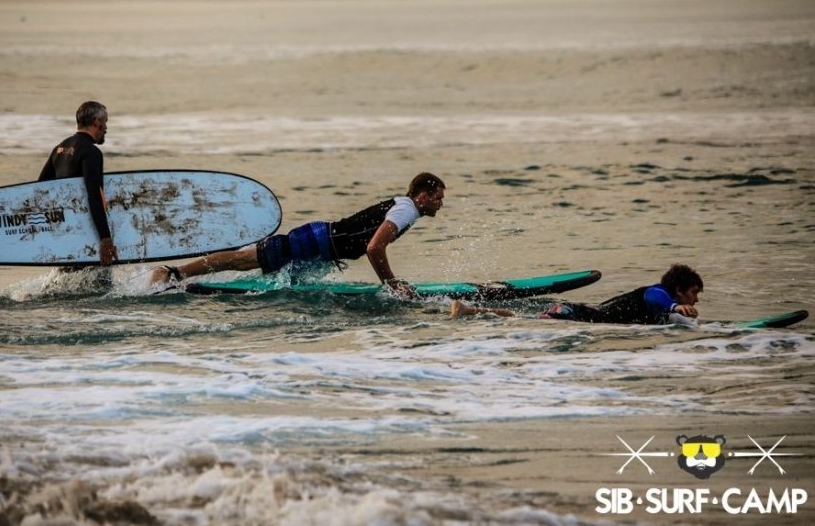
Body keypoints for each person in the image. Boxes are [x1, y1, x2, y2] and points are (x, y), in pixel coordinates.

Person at [149, 172, 446, 299]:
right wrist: (391, 283)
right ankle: (173, 272)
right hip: (316, 241)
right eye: (437, 197)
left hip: (321, 243)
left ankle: (183, 278)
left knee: (251, 266)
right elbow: (374, 247)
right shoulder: (406, 209)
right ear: (422, 195)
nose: (440, 204)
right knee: (243, 261)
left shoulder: (404, 206)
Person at [450, 264, 703, 326]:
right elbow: (652, 298)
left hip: (573, 312)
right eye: (693, 293)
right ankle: (467, 311)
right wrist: (674, 308)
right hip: (576, 315)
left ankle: (468, 310)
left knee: (517, 318)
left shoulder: (664, 304)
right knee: (517, 322)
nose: (696, 299)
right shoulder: (659, 293)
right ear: (678, 290)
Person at [39, 100, 118, 266]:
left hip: (66, 234)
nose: (106, 128)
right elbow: (95, 196)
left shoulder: (60, 148)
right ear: (97, 122)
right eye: (105, 122)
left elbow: (41, 188)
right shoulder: (91, 152)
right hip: (87, 233)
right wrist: (105, 239)